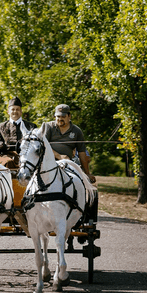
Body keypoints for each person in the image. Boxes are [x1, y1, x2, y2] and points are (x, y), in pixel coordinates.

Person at [43, 104, 96, 251]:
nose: (59, 119)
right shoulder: (48, 127)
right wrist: (60, 156)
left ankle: (83, 219)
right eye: (57, 116)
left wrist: (87, 173)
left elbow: (82, 153)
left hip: (69, 165)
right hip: (49, 164)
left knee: (88, 189)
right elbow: (44, 146)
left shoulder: (76, 131)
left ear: (69, 116)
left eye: (63, 116)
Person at [0, 97, 36, 168]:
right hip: (6, 156)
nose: (15, 111)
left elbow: (35, 143)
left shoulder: (31, 126)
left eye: (17, 109)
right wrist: (1, 145)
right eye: (13, 109)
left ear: (21, 111)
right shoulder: (0, 127)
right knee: (8, 162)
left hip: (26, 155)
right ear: (8, 111)